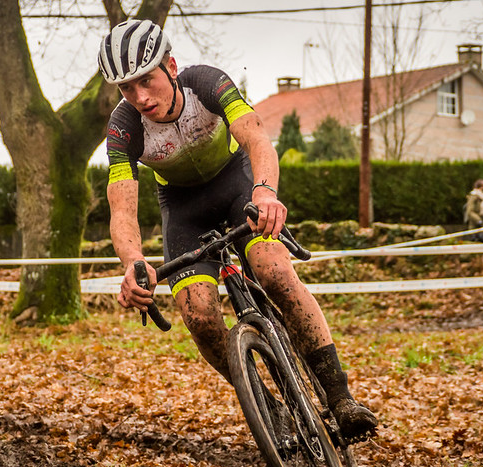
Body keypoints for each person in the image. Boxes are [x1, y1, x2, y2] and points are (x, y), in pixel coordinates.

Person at [98, 19, 377, 440]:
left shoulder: (206, 83)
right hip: (184, 210)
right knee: (198, 316)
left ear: (170, 67)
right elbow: (122, 207)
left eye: (146, 80)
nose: (140, 97)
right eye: (126, 88)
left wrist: (265, 192)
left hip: (238, 187)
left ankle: (340, 398)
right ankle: (265, 405)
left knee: (274, 271)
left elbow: (256, 137)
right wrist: (133, 261)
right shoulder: (123, 128)